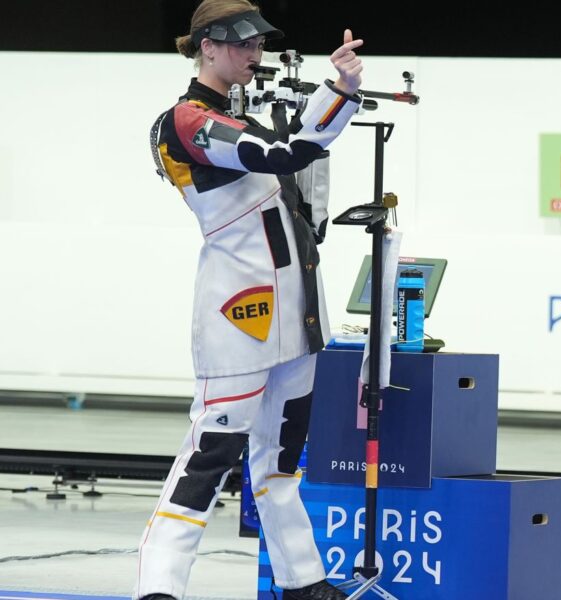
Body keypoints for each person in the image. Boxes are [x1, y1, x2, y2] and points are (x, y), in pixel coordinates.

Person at [137, 1, 365, 598]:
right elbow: (281, 153)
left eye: (257, 43)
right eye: (240, 43)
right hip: (238, 319)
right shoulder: (183, 121)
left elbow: (292, 147)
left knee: (282, 466)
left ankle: (303, 582)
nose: (253, 53)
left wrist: (340, 87)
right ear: (205, 46)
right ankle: (158, 587)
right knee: (207, 461)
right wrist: (331, 95)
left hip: (296, 317)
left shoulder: (244, 121)